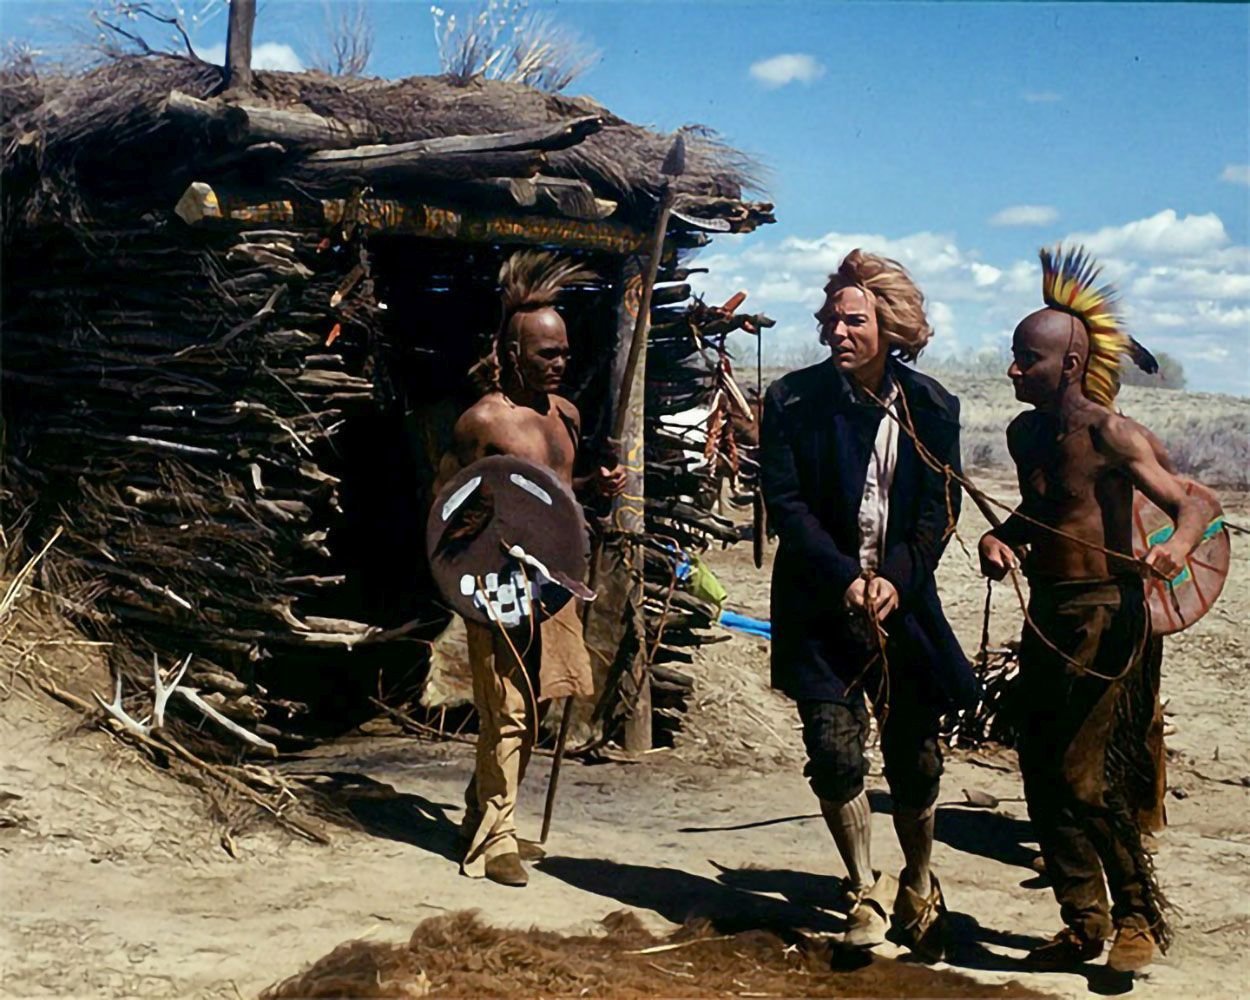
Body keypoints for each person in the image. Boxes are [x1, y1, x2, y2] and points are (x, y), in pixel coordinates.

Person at [977, 245, 1212, 972]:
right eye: (1015, 357)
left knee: (1086, 775)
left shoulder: (1112, 434)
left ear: (1071, 365)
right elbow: (1044, 510)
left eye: (1027, 359)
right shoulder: (1025, 434)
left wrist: (1177, 548)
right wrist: (1000, 536)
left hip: (1110, 615)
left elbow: (1193, 504)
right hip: (1050, 613)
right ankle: (1084, 921)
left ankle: (1138, 920)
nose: (1013, 370)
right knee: (1039, 769)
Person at [760, 249, 977, 961]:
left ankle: (917, 881)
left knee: (915, 758)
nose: (837, 332)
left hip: (902, 609)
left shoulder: (933, 408)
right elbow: (786, 503)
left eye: (854, 320)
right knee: (832, 748)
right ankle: (861, 887)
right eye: (831, 319)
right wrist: (844, 578)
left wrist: (899, 579)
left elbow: (939, 510)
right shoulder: (792, 402)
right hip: (820, 606)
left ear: (890, 325)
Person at [438, 250, 625, 887]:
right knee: (507, 709)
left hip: (555, 583)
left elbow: (561, 497)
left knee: (532, 709)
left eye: (565, 353)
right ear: (512, 354)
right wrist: (471, 572)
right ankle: (495, 842)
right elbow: (446, 507)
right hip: (499, 582)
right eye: (547, 354)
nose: (559, 363)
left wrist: (598, 487)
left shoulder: (565, 415)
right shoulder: (482, 423)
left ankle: (483, 811)